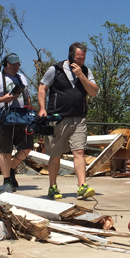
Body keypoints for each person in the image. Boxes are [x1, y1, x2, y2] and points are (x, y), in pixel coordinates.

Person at [37, 42, 99, 200]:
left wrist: (81, 76)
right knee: (56, 154)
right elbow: (42, 88)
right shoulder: (55, 70)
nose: (81, 61)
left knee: (79, 151)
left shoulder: (85, 71)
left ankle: (82, 187)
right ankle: (52, 186)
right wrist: (42, 108)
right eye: (78, 58)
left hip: (79, 118)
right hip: (58, 118)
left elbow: (93, 92)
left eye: (83, 58)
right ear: (70, 55)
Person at [0, 53, 33, 192]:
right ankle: (6, 181)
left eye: (18, 64)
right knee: (6, 151)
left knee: (27, 147)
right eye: (13, 64)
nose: (16, 67)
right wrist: (2, 99)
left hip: (21, 118)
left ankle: (11, 168)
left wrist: (30, 110)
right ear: (6, 64)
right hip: (1, 120)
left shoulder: (21, 78)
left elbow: (27, 96)